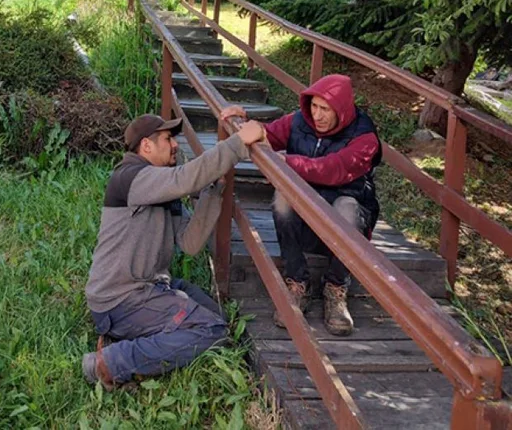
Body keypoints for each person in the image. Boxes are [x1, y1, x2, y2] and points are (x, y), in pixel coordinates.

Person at [83, 113, 267, 388]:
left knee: (216, 318)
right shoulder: (131, 177)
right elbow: (184, 178)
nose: (175, 146)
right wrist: (238, 142)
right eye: (168, 139)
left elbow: (189, 242)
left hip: (149, 285)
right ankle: (109, 363)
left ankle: (128, 339)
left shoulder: (159, 189)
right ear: (146, 146)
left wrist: (213, 191)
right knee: (210, 331)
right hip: (120, 298)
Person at [220, 74, 380, 336]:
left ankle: (336, 289)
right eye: (314, 107)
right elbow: (268, 134)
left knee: (347, 210)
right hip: (305, 225)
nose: (317, 115)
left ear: (341, 109)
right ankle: (297, 283)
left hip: (344, 229)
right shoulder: (300, 120)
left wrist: (287, 162)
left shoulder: (364, 137)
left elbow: (333, 170)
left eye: (325, 109)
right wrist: (244, 121)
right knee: (283, 199)